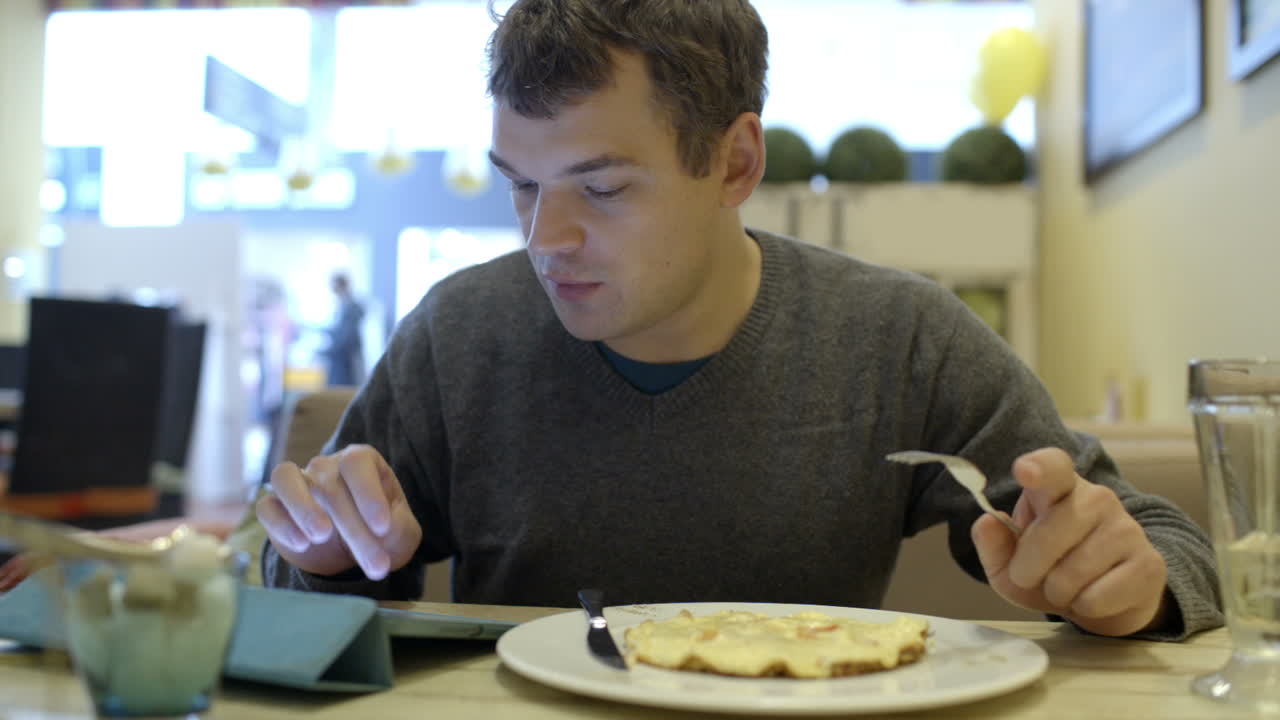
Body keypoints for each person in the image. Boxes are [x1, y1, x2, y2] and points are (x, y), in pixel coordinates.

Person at [257, 0, 1223, 640]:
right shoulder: (458, 335)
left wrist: (1120, 581)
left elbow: (1172, 551)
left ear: (734, 165)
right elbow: (293, 597)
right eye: (522, 187)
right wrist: (326, 556)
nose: (545, 238)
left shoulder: (898, 340)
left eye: (600, 187)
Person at [322, 272, 365, 387]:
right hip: (340, 360)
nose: (332, 289)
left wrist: (325, 352)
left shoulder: (351, 307)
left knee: (342, 393)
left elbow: (346, 338)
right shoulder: (343, 305)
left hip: (346, 362)